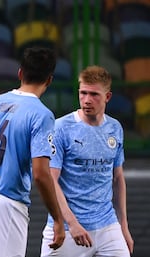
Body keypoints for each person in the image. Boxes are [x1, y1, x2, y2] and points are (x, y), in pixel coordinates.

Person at [0, 46, 65, 257]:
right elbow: (41, 174)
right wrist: (58, 219)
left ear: (20, 73)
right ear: (49, 80)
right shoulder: (41, 115)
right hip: (6, 201)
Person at [40, 65, 134, 257]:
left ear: (107, 97)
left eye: (94, 94)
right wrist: (72, 224)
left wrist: (123, 226)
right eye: (83, 93)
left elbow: (117, 179)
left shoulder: (115, 128)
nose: (86, 100)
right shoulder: (60, 128)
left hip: (107, 226)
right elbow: (51, 180)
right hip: (67, 229)